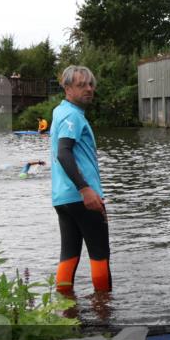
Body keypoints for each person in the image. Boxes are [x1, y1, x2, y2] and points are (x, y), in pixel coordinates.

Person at [50, 65, 110, 293]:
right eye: (81, 85)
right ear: (67, 88)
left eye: (90, 84)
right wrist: (85, 189)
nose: (89, 89)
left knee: (69, 255)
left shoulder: (60, 111)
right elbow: (63, 152)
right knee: (100, 256)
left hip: (62, 197)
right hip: (83, 197)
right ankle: (104, 312)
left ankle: (65, 309)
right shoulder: (72, 116)